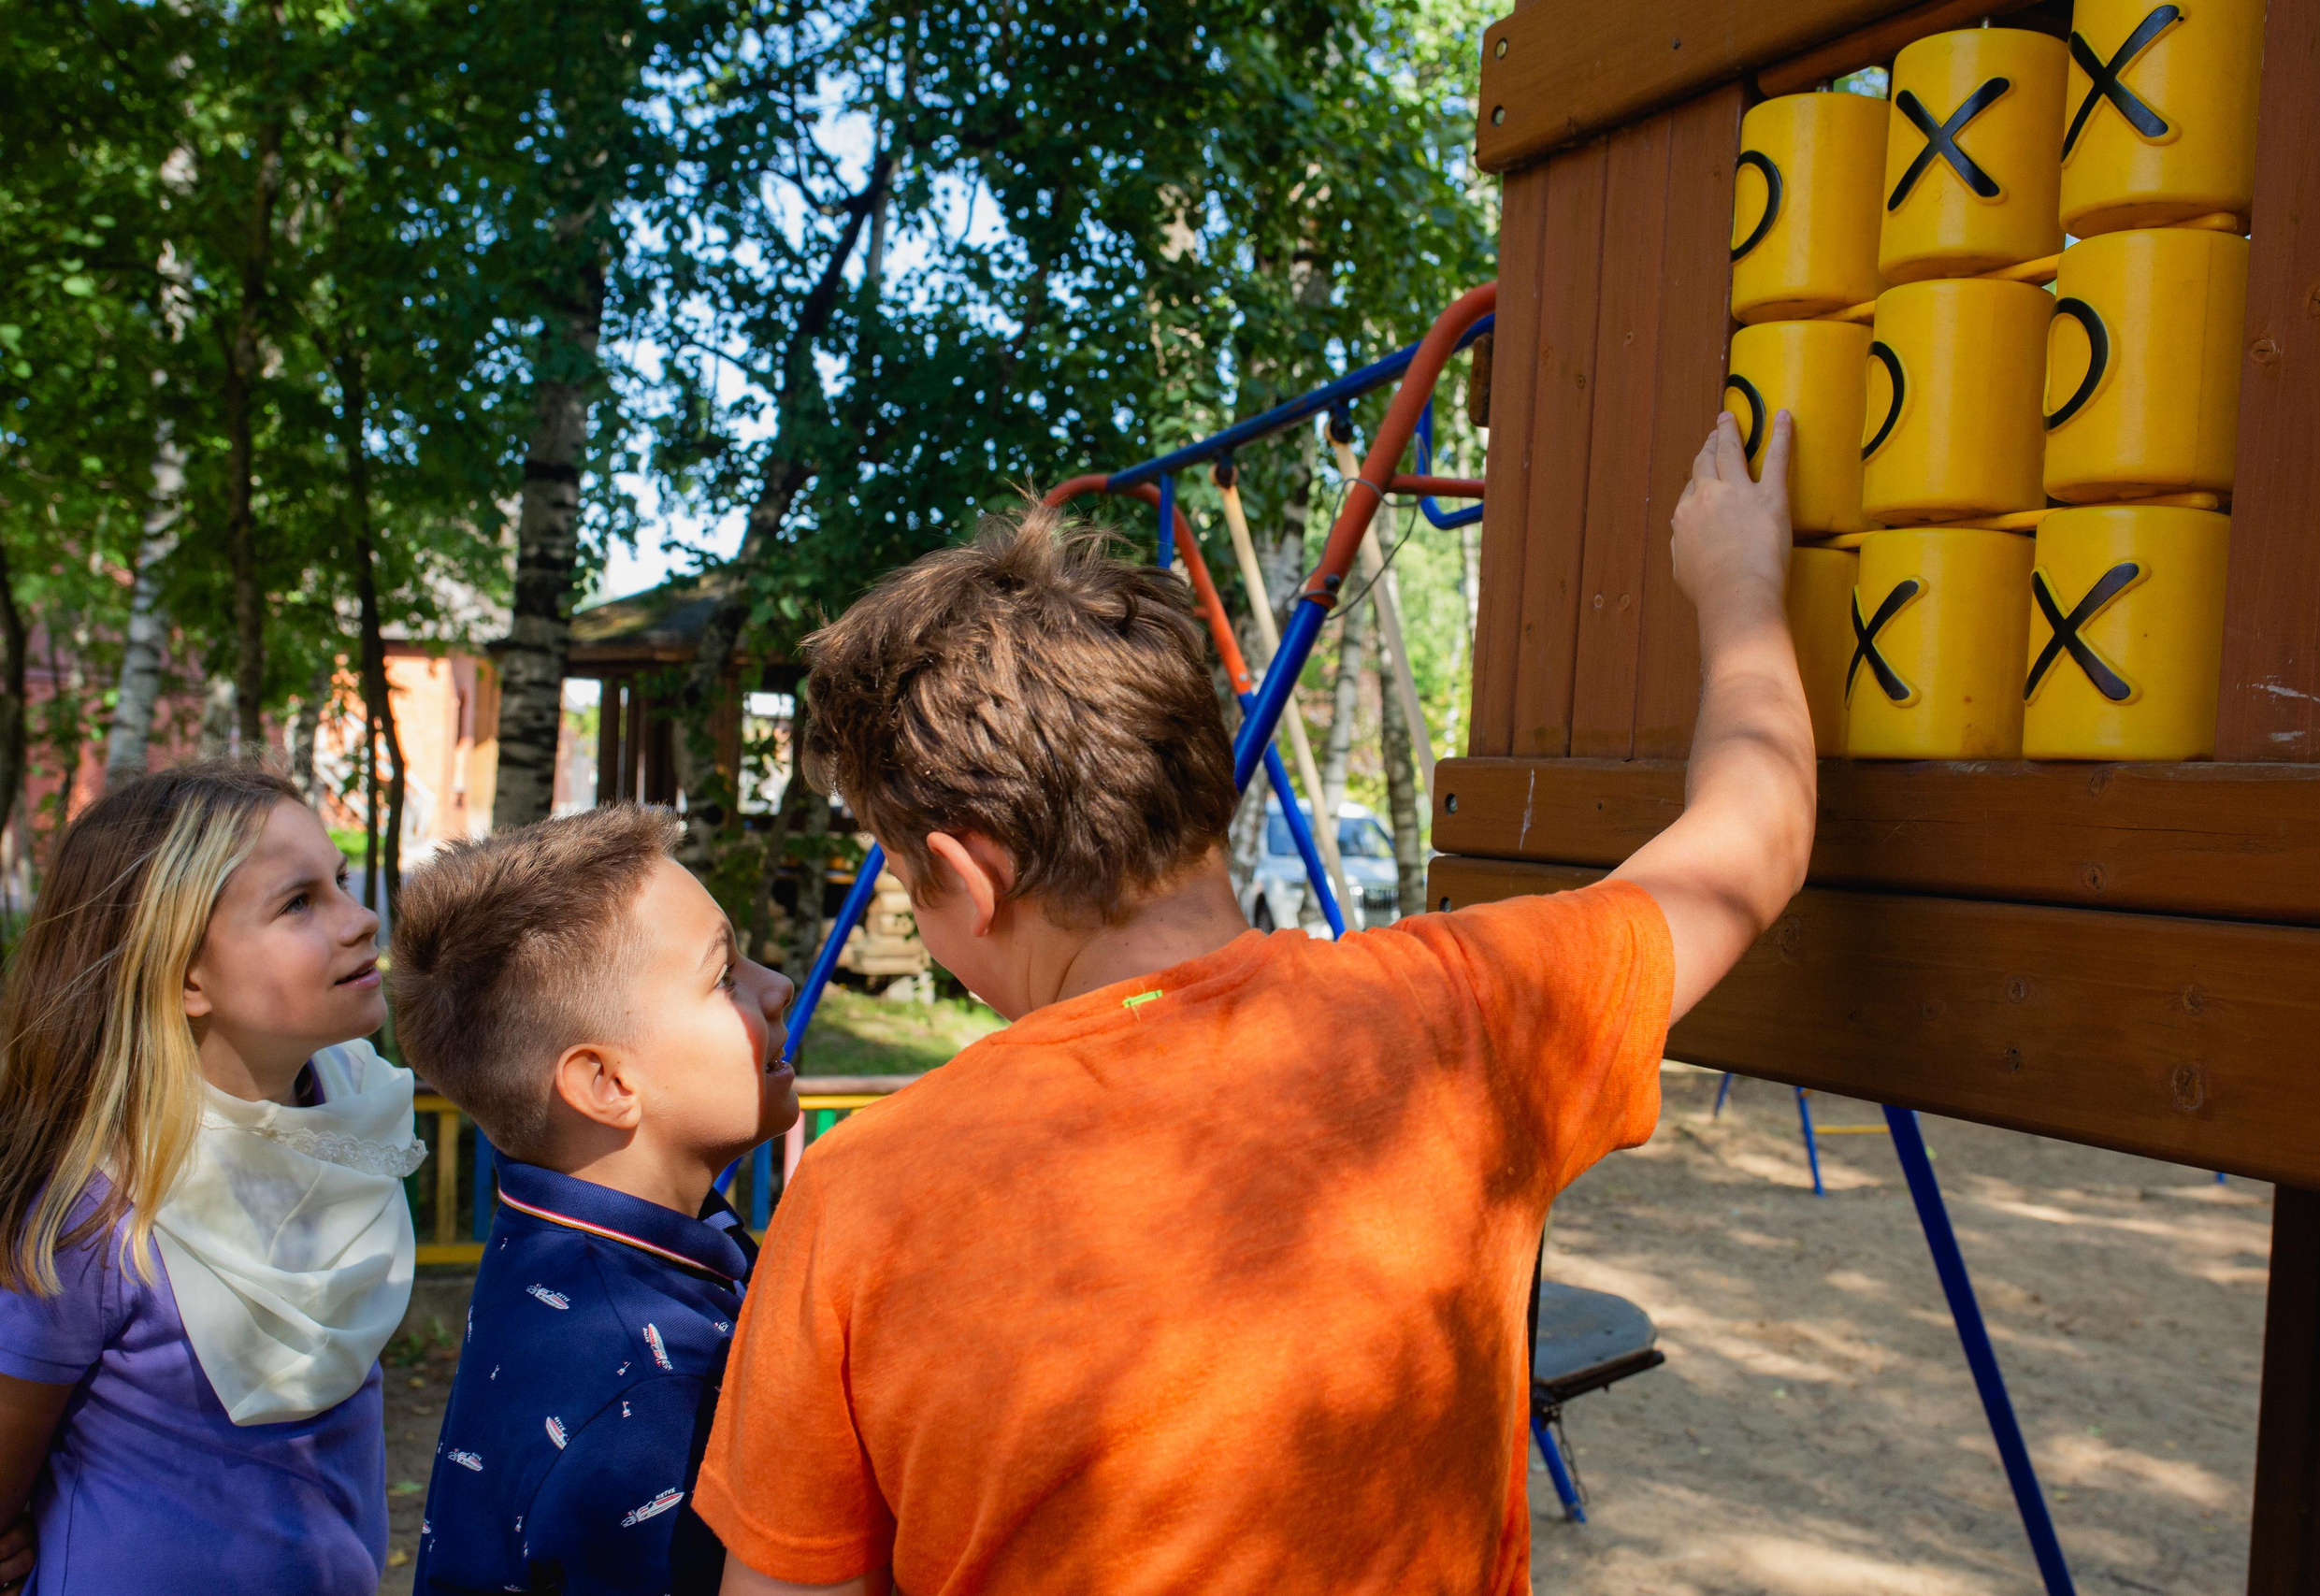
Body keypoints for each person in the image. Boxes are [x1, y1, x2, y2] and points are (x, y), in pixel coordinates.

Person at [692, 410, 1815, 1596]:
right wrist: (1739, 585)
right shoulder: (1460, 1019)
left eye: (903, 880)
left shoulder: (861, 1201)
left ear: (970, 878)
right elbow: (1758, 833)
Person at [0, 762, 421, 1594]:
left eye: (340, 882)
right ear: (187, 974)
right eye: (299, 902)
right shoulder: (95, 1205)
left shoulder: (357, 1121)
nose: (362, 917)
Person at [388, 805, 800, 1595]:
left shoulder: (547, 1237)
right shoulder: (654, 1395)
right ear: (605, 1083)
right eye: (724, 976)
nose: (777, 986)